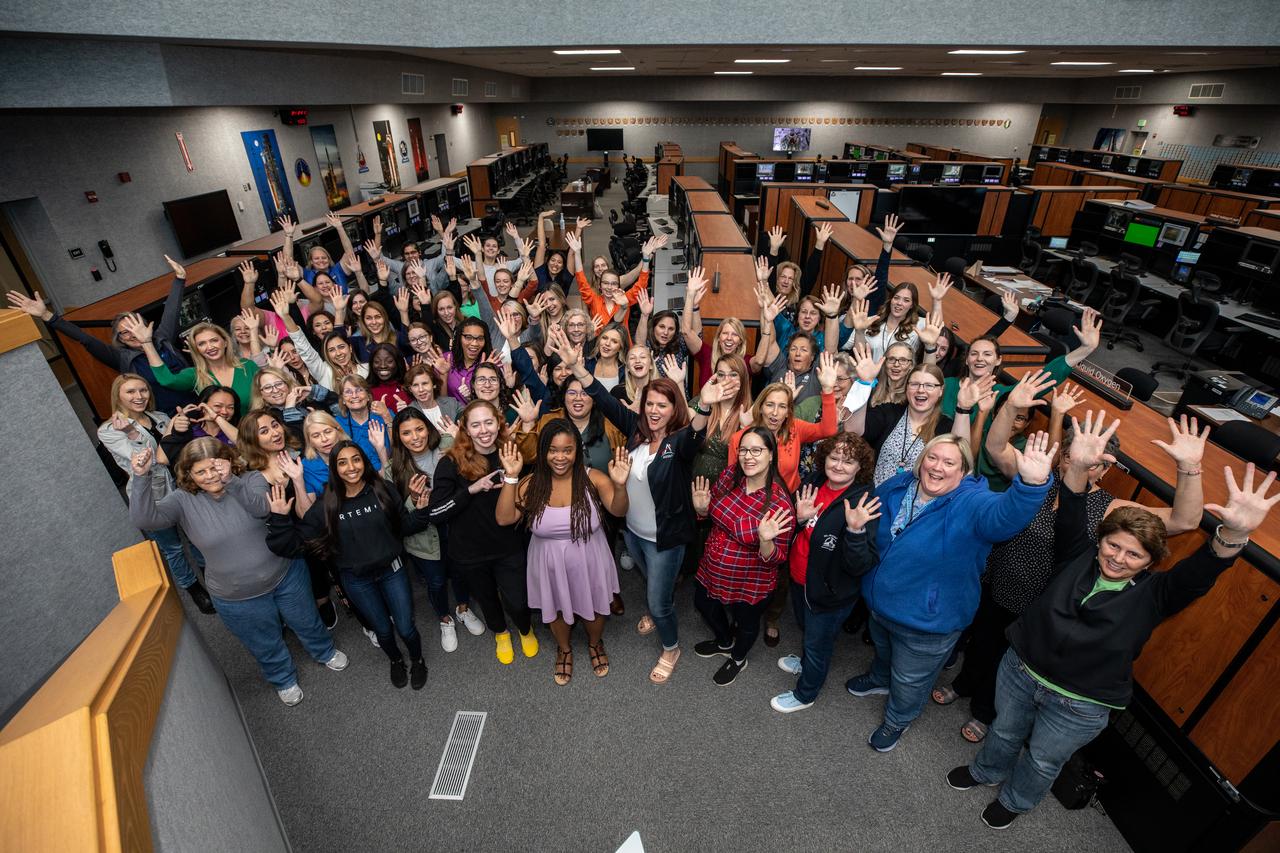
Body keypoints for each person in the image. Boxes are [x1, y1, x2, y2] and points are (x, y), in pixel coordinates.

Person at [949, 412, 1278, 829]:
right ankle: (985, 772)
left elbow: (1204, 568)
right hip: (1022, 669)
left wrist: (1229, 531)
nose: (1118, 558)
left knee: (1042, 757)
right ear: (1099, 540)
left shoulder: (1155, 595)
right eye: (1113, 546)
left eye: (1133, 554)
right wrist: (1081, 464)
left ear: (1150, 562)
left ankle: (1015, 800)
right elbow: (1070, 506)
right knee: (1005, 732)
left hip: (1078, 703)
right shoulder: (1077, 554)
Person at [938, 383, 1209, 744]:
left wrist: (1190, 467)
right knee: (983, 638)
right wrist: (1010, 407)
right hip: (1000, 580)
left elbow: (1185, 521)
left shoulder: (1112, 510)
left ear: (1103, 469)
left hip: (1041, 602)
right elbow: (995, 448)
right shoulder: (1039, 478)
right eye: (1070, 455)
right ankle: (963, 682)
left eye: (1090, 461)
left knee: (1009, 658)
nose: (1075, 463)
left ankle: (986, 713)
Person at [848, 432, 1054, 752]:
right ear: (920, 461)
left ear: (963, 473)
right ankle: (878, 678)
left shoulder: (971, 504)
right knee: (884, 652)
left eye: (949, 462)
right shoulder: (899, 486)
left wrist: (1030, 487)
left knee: (909, 681)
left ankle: (897, 720)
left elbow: (1004, 518)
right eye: (932, 457)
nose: (938, 467)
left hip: (927, 624)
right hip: (879, 605)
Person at [559, 335, 733, 685]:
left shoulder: (678, 442)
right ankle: (660, 601)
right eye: (650, 404)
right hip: (634, 535)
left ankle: (671, 647)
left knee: (657, 601)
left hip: (665, 539)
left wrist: (704, 407)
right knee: (654, 582)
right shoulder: (637, 432)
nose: (654, 410)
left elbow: (695, 436)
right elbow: (605, 401)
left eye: (662, 406)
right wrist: (579, 368)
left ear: (674, 410)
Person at [128, 438, 348, 705]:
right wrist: (140, 477)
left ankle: (323, 651)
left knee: (306, 619)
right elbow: (144, 520)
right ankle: (282, 678)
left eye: (215, 467)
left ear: (229, 462)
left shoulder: (251, 480)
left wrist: (231, 480)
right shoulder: (181, 501)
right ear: (188, 474)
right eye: (200, 471)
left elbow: (260, 509)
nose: (210, 476)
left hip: (285, 575)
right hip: (236, 596)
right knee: (263, 642)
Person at [270, 441, 431, 690]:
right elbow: (290, 546)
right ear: (334, 468)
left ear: (364, 462)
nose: (351, 467)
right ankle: (396, 660)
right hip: (357, 581)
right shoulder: (326, 505)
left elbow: (405, 528)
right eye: (342, 462)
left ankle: (418, 660)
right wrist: (280, 518)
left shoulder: (384, 489)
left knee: (406, 627)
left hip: (393, 571)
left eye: (355, 459)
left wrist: (420, 510)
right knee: (383, 630)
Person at [496, 423, 630, 684]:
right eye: (553, 450)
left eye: (567, 450)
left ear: (577, 452)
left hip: (590, 559)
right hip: (548, 564)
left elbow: (619, 510)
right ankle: (564, 649)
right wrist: (511, 477)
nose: (560, 457)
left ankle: (594, 644)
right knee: (556, 610)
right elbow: (503, 518)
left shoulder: (593, 478)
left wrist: (621, 485)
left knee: (595, 607)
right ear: (543, 451)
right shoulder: (530, 484)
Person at [772, 434, 881, 712]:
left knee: (819, 644)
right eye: (834, 458)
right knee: (808, 629)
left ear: (860, 467)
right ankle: (807, 659)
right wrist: (799, 519)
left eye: (849, 461)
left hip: (829, 592)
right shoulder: (813, 482)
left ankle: (805, 694)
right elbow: (795, 529)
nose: (839, 465)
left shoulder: (863, 501)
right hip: (800, 578)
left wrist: (856, 531)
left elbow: (860, 565)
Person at [426, 400, 539, 665]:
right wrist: (470, 490)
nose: (483, 430)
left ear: (498, 422)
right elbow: (435, 512)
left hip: (509, 545)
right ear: (465, 428)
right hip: (469, 552)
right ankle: (500, 633)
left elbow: (532, 486)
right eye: (475, 425)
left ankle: (525, 628)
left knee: (519, 599)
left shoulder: (510, 453)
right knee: (487, 599)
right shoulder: (451, 462)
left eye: (488, 422)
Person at [7, 256, 196, 411]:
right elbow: (85, 339)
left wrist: (180, 279)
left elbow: (171, 309)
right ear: (119, 339)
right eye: (124, 333)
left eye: (134, 327)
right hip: (168, 416)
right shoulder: (121, 358)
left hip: (196, 403)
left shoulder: (162, 338)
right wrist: (48, 316)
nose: (132, 335)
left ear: (144, 326)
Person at [97, 373, 212, 612]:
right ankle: (193, 589)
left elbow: (175, 448)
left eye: (143, 390)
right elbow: (146, 459)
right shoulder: (108, 430)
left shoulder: (159, 417)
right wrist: (131, 432)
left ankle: (209, 576)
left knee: (196, 536)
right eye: (130, 391)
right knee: (173, 547)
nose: (139, 396)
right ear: (118, 395)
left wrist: (180, 424)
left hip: (181, 486)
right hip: (151, 494)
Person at [690, 427, 795, 686]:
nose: (748, 456)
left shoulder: (780, 504)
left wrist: (765, 540)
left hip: (750, 581)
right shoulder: (729, 476)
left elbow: (777, 559)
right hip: (712, 567)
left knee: (746, 624)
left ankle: (738, 658)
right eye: (744, 450)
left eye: (757, 450)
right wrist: (702, 509)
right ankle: (725, 642)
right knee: (703, 603)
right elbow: (710, 512)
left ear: (771, 455)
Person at [387, 408, 483, 650]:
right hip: (423, 538)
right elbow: (397, 519)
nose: (415, 437)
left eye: (419, 429)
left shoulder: (449, 446)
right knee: (436, 581)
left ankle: (463, 607)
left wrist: (459, 438)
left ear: (428, 429)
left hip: (457, 527)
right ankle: (444, 618)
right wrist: (414, 499)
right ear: (399, 438)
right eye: (406, 433)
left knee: (460, 571)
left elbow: (474, 474)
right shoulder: (392, 470)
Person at [122, 315, 260, 408]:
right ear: (197, 350)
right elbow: (166, 380)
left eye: (214, 340)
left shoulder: (247, 365)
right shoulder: (195, 375)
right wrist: (147, 342)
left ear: (225, 342)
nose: (209, 347)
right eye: (202, 344)